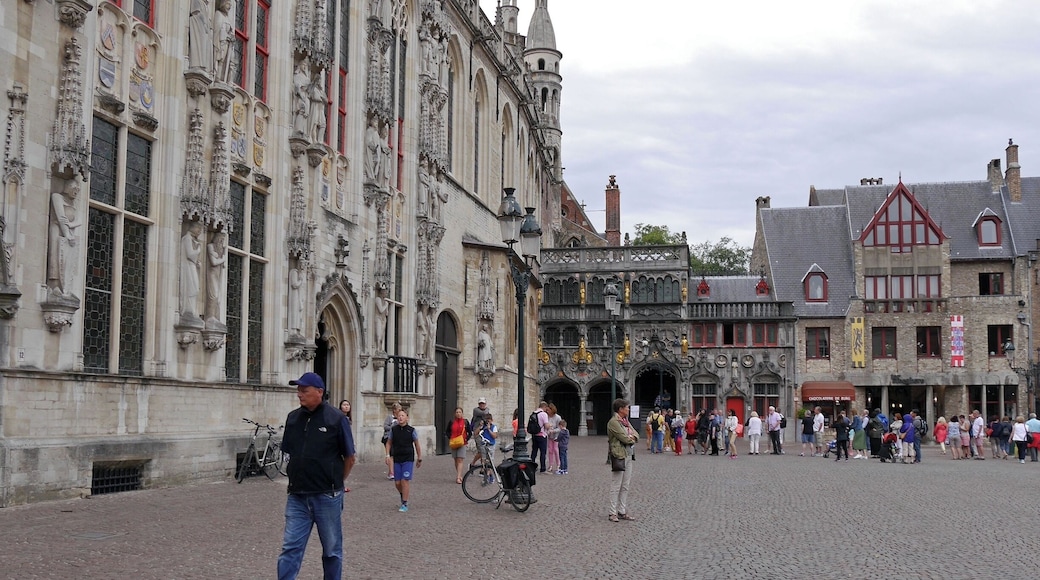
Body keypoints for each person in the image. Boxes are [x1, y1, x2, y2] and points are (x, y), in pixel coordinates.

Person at [277, 372, 355, 580]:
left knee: (331, 550)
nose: (299, 394)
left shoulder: (336, 418)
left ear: (319, 392)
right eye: (298, 390)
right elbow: (291, 452)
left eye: (304, 390)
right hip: (297, 496)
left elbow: (349, 457)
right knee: (290, 548)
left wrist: (336, 482)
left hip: (326, 496)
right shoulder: (293, 418)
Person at [47, 181, 82, 297]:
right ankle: (54, 285)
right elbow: (61, 217)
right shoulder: (57, 197)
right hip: (57, 230)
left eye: (78, 190)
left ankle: (65, 288)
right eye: (74, 189)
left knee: (67, 260)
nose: (76, 193)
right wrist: (67, 234)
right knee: (55, 257)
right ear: (68, 188)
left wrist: (71, 227)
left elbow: (79, 221)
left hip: (69, 234)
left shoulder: (73, 204)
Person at [606, 398, 638, 523]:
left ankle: (622, 511)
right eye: (627, 407)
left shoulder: (625, 421)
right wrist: (631, 438)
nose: (628, 409)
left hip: (629, 455)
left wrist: (632, 437)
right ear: (620, 409)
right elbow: (625, 439)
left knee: (625, 485)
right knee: (616, 484)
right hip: (619, 455)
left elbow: (636, 434)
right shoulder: (614, 422)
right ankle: (612, 512)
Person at [385, 409, 421, 512]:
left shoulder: (411, 430)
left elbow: (417, 444)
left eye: (402, 415)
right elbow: (388, 443)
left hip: (408, 458)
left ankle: (404, 503)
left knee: (404, 481)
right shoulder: (394, 430)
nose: (400, 417)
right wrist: (387, 455)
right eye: (399, 415)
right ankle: (402, 494)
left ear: (407, 418)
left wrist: (419, 457)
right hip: (397, 458)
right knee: (397, 483)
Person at [180, 222, 203, 319]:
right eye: (199, 229)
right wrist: (198, 250)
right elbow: (189, 254)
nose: (200, 232)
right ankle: (188, 311)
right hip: (188, 267)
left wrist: (198, 264)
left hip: (192, 266)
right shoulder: (187, 239)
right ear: (193, 228)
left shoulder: (192, 240)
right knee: (191, 289)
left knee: (195, 289)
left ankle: (193, 311)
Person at [206, 232, 226, 324]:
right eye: (220, 240)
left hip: (218, 274)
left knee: (218, 297)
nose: (221, 242)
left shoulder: (220, 249)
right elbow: (214, 262)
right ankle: (210, 316)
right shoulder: (211, 246)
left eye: (223, 241)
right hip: (212, 274)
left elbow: (223, 266)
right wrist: (223, 259)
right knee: (214, 295)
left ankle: (215, 316)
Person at [446, 407, 470, 484]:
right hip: (454, 442)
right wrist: (450, 437)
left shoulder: (465, 422)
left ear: (462, 413)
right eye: (457, 412)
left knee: (460, 459)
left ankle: (458, 477)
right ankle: (459, 474)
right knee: (456, 459)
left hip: (462, 443)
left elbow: (469, 432)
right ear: (455, 414)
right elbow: (447, 431)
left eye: (460, 412)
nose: (458, 414)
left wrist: (466, 439)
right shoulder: (452, 422)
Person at [381, 403, 401, 479]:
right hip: (388, 438)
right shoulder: (389, 418)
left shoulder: (400, 418)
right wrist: (393, 426)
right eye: (398, 410)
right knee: (391, 455)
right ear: (394, 410)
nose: (399, 411)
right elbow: (385, 426)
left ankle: (391, 472)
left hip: (396, 439)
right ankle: (391, 473)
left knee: (395, 456)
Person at [530, 402, 550, 473]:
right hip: (542, 435)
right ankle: (543, 469)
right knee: (542, 452)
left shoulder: (534, 413)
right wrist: (549, 426)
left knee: (534, 451)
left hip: (534, 435)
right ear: (544, 407)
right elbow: (546, 425)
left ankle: (531, 467)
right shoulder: (543, 414)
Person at [546, 403, 562, 474]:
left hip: (556, 436)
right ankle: (550, 465)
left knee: (556, 450)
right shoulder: (547, 417)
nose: (547, 412)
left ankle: (558, 464)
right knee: (550, 450)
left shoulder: (558, 417)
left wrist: (553, 431)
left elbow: (560, 428)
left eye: (548, 410)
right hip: (549, 436)